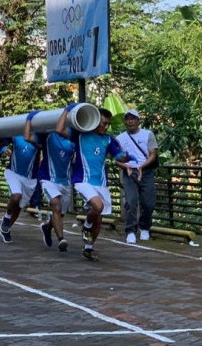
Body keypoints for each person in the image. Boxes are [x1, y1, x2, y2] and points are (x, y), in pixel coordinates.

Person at [57, 105, 132, 261]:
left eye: (108, 124)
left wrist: (127, 158)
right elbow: (59, 130)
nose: (106, 127)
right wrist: (66, 111)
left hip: (101, 183)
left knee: (98, 218)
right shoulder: (79, 135)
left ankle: (89, 248)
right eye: (103, 123)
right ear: (95, 120)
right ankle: (86, 227)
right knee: (98, 206)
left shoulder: (108, 139)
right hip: (82, 180)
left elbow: (118, 156)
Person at [23, 111, 75, 251]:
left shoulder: (73, 136)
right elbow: (27, 137)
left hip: (65, 180)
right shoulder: (47, 135)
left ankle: (47, 227)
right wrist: (29, 119)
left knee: (60, 213)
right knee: (55, 205)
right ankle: (61, 239)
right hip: (48, 177)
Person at [0, 118, 41, 244]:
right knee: (16, 196)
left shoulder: (40, 136)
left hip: (30, 178)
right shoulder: (15, 133)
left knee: (19, 206)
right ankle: (6, 218)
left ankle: (6, 229)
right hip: (13, 172)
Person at [116, 109, 159, 244]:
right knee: (130, 201)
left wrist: (143, 166)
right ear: (125, 122)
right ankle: (130, 230)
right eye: (128, 119)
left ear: (138, 120)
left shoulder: (148, 134)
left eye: (133, 118)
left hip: (145, 171)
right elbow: (117, 158)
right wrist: (126, 166)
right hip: (129, 172)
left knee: (149, 202)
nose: (130, 121)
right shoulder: (120, 138)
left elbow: (153, 153)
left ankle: (145, 227)